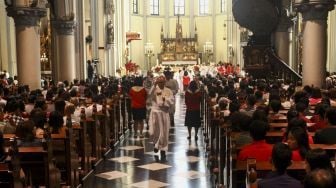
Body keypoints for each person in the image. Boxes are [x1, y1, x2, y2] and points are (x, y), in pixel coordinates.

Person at [148, 75, 174, 161]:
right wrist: (154, 85)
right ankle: (155, 144)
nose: (161, 84)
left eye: (162, 82)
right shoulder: (154, 89)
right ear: (157, 82)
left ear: (165, 82)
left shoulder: (168, 90)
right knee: (154, 132)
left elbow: (171, 100)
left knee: (164, 133)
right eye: (159, 82)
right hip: (155, 113)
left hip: (164, 113)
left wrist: (164, 100)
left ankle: (163, 151)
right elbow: (150, 95)